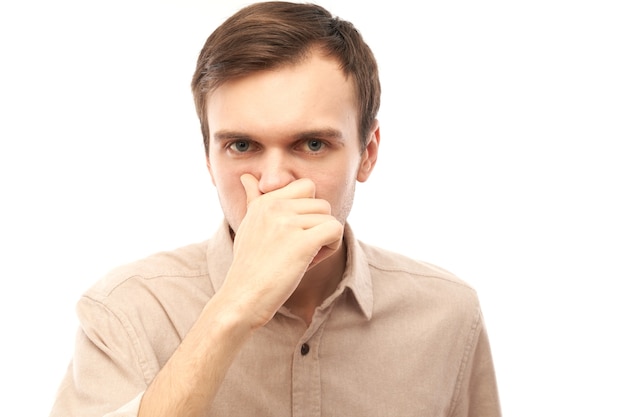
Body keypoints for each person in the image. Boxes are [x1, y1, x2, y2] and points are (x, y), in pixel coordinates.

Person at [49, 2, 501, 416]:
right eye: (241, 145)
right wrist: (234, 306)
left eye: (312, 144)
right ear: (208, 158)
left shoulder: (449, 315)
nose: (272, 182)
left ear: (367, 153)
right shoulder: (126, 311)